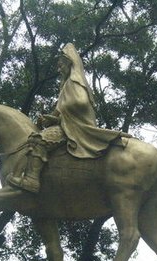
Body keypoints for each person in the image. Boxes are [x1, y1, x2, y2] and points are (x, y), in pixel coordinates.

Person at [8, 43, 130, 193]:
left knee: (40, 140)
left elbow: (80, 102)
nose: (59, 70)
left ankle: (31, 180)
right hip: (67, 125)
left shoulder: (74, 82)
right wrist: (50, 118)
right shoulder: (66, 85)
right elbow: (59, 111)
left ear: (69, 62)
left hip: (75, 128)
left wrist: (59, 117)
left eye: (61, 66)